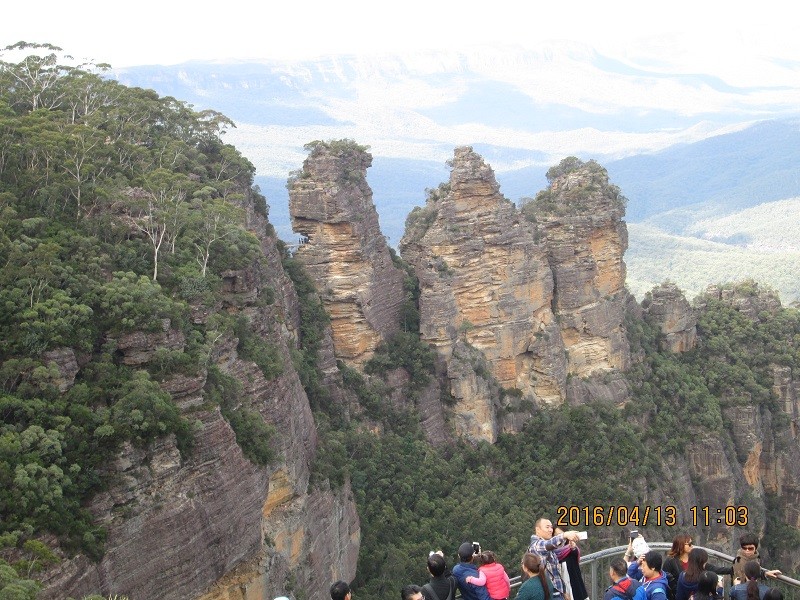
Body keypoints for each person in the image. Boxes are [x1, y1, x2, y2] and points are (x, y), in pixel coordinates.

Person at [528, 518, 582, 599]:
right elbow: (549, 544)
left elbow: (556, 573)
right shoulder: (536, 545)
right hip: (550, 595)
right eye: (547, 527)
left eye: (551, 527)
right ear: (538, 530)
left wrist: (563, 592)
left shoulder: (548, 547)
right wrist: (564, 535)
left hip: (557, 593)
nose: (550, 530)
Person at [554, 527, 589, 600]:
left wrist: (573, 547)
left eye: (561, 534)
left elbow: (575, 553)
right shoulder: (551, 553)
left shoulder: (570, 549)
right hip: (561, 591)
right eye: (556, 535)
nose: (560, 537)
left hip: (575, 588)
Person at [661, 533, 693, 600]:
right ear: (681, 545)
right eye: (689, 544)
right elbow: (666, 581)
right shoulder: (670, 561)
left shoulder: (694, 559)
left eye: (692, 543)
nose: (692, 546)